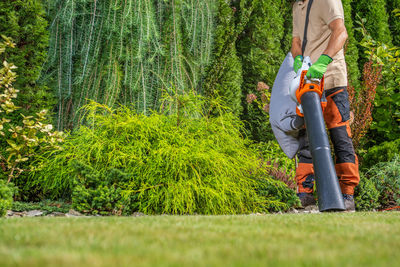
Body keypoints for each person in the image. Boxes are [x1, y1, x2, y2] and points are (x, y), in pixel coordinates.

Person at [291, 0, 359, 211]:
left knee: (340, 135)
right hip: (309, 82)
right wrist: (298, 58)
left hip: (331, 79)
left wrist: (323, 61)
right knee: (306, 137)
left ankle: (347, 195)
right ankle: (305, 193)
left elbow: (341, 32)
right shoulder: (297, 6)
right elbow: (296, 41)